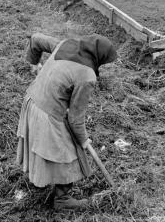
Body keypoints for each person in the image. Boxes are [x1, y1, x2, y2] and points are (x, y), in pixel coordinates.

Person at [16, 33, 117, 210]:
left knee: (57, 144)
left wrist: (34, 62)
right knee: (70, 150)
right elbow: (75, 119)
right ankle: (62, 200)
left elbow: (36, 39)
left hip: (32, 102)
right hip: (48, 114)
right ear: (98, 57)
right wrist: (84, 140)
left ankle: (44, 178)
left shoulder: (64, 44)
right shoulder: (87, 77)